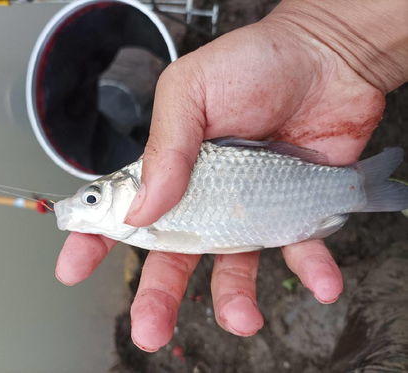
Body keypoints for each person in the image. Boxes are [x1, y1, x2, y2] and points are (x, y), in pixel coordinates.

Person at [55, 0, 408, 352]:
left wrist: (323, 38)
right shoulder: (142, 223)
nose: (87, 204)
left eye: (92, 198)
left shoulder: (148, 211)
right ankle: (364, 188)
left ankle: (365, 188)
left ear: (129, 188)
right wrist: (326, 37)